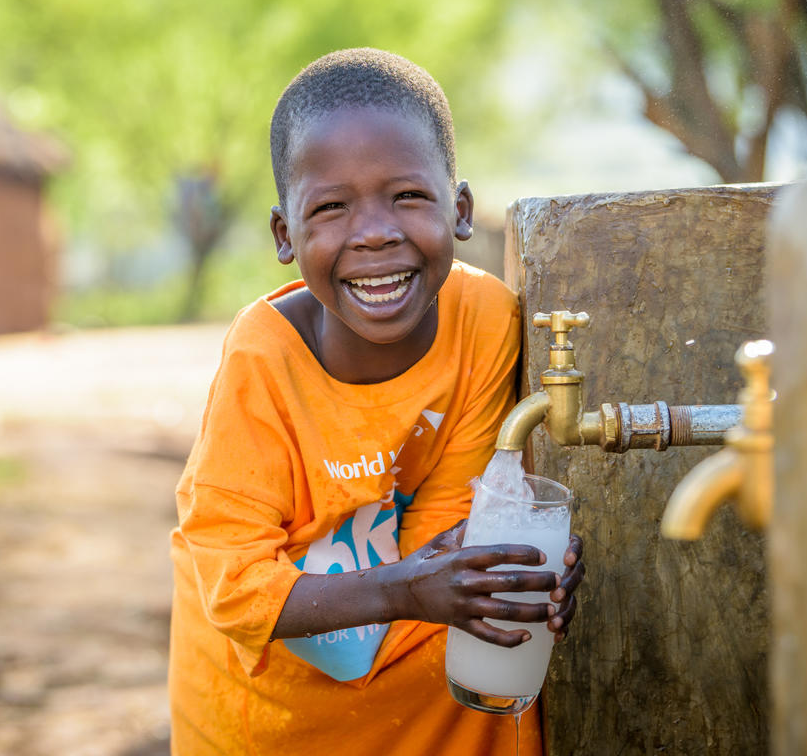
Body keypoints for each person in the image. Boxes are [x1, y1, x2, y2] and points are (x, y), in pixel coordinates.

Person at [168, 48, 585, 755]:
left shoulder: (484, 319)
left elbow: (454, 524)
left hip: (435, 701)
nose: (373, 232)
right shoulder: (263, 359)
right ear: (284, 234)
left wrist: (504, 568)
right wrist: (406, 588)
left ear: (458, 210)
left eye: (408, 197)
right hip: (273, 719)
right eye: (331, 208)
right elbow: (234, 586)